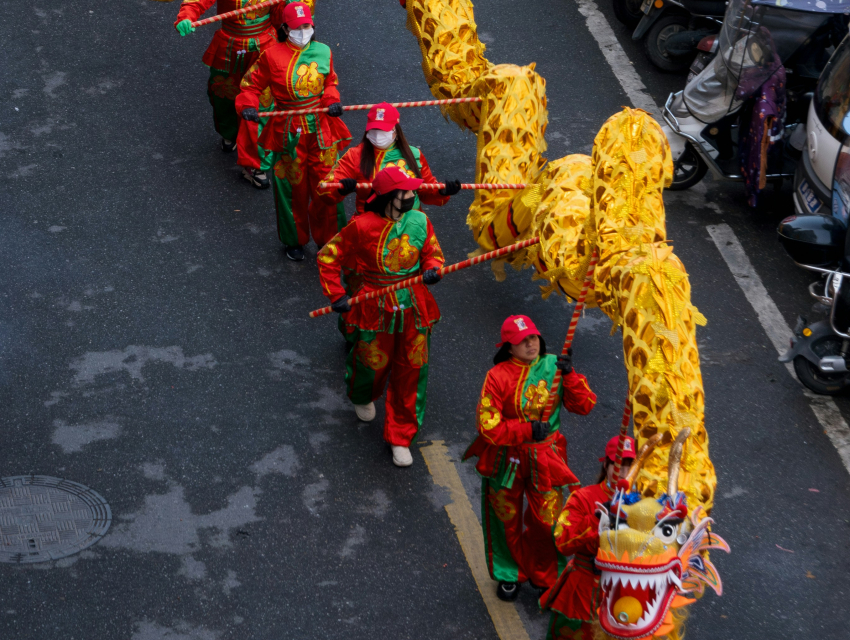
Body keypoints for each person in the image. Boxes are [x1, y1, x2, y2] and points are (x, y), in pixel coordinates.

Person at [317, 166, 444, 468]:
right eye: (408, 191)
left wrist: (433, 269)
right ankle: (363, 394)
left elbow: (433, 253)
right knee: (370, 364)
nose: (414, 195)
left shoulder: (421, 221)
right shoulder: (362, 226)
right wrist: (336, 295)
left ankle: (401, 436)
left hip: (414, 305)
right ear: (390, 195)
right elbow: (327, 256)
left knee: (412, 369)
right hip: (374, 306)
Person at [463, 315, 597, 601]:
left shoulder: (555, 367)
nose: (530, 344)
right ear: (509, 348)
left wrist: (571, 375)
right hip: (506, 460)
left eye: (533, 337)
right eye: (522, 341)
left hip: (545, 459)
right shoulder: (497, 376)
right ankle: (508, 573)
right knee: (504, 520)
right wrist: (525, 429)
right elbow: (487, 425)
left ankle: (546, 573)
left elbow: (585, 405)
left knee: (547, 521)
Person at [236, 1, 351, 261]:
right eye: (297, 28)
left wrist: (332, 101)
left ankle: (330, 240)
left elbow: (330, 83)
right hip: (289, 134)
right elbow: (250, 87)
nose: (303, 31)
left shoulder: (324, 51)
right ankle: (294, 240)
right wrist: (248, 107)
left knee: (328, 187)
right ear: (285, 28)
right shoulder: (271, 56)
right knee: (291, 190)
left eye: (307, 26)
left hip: (322, 132)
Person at [173, 0, 282, 189]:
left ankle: (256, 165)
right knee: (223, 96)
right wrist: (186, 16)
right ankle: (230, 132)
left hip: (265, 48)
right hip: (230, 45)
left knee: (261, 106)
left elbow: (282, 14)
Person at [540, 436, 636, 640]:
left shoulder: (641, 505)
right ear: (606, 465)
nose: (623, 473)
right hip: (581, 591)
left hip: (621, 594)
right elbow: (562, 542)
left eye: (629, 466)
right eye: (618, 465)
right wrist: (595, 521)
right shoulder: (583, 498)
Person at [317, 102, 461, 215]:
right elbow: (324, 190)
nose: (379, 134)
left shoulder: (414, 154)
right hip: (371, 227)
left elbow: (426, 192)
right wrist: (341, 189)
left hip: (410, 225)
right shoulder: (354, 155)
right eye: (374, 129)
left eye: (384, 130)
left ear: (396, 131)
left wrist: (442, 191)